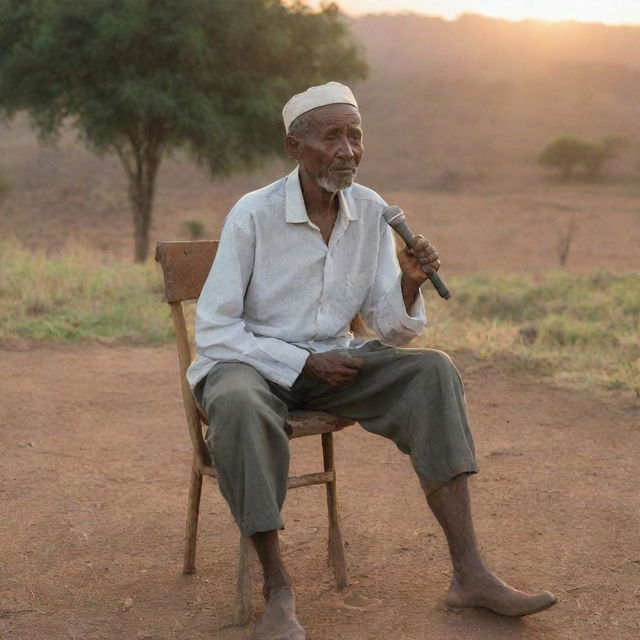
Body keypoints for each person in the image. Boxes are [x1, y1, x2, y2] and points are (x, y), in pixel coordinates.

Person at [187, 82, 557, 640]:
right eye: (331, 137)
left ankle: (470, 575)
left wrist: (408, 286)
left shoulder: (371, 211)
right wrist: (301, 364)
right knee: (238, 404)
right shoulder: (253, 214)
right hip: (252, 366)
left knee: (432, 371)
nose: (347, 151)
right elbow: (215, 329)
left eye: (355, 136)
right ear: (295, 146)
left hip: (335, 365)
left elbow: (390, 327)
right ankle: (278, 593)